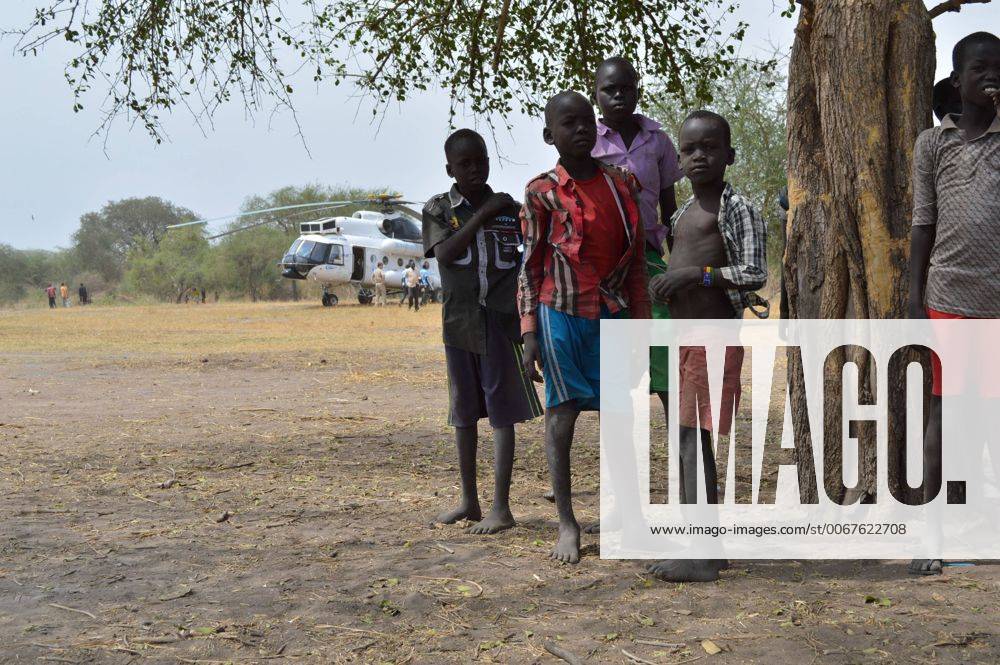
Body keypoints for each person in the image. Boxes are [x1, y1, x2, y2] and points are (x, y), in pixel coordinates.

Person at [519, 91, 651, 564]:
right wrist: (529, 330)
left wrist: (640, 329)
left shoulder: (621, 186)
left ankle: (631, 519)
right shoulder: (541, 193)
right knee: (562, 417)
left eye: (586, 122)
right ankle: (568, 523)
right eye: (567, 123)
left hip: (612, 317)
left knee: (621, 420)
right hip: (560, 318)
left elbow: (635, 266)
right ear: (549, 134)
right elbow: (531, 267)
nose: (580, 129)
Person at [647, 110, 768, 582]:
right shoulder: (680, 213)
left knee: (691, 442)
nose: (699, 156)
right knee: (688, 443)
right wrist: (668, 283)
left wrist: (696, 276)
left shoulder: (734, 209)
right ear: (678, 160)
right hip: (683, 338)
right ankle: (707, 547)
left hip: (713, 338)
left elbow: (756, 273)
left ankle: (699, 555)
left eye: (710, 148)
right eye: (690, 149)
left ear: (729, 156)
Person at [908, 32, 1000, 576]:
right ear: (958, 77)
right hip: (947, 298)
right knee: (942, 417)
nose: (992, 78)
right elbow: (924, 222)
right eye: (981, 70)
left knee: (993, 420)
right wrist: (915, 297)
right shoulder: (933, 144)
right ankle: (931, 533)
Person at [423, 128, 544, 534]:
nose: (475, 169)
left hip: (500, 320)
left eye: (481, 160)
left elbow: (528, 264)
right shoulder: (440, 209)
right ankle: (469, 500)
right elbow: (445, 253)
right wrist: (481, 216)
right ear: (450, 169)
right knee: (463, 413)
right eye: (465, 164)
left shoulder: (511, 209)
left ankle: (501, 507)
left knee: (501, 413)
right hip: (459, 323)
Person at [586, 55, 684, 531]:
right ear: (596, 96)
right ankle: (628, 503)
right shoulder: (588, 140)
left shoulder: (658, 140)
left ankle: (686, 498)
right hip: (610, 276)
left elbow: (669, 203)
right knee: (617, 392)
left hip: (653, 264)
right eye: (610, 90)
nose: (619, 96)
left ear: (637, 91)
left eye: (627, 88)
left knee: (668, 380)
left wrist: (675, 253)